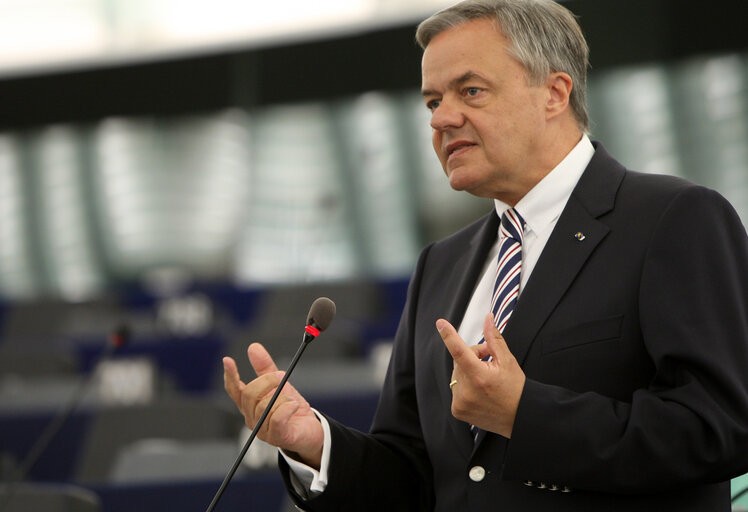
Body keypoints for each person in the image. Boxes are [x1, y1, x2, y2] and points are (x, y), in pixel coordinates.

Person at [222, 0, 748, 510]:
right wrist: (313, 441)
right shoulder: (439, 266)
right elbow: (416, 477)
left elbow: (721, 426)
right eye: (432, 102)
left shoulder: (674, 218)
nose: (442, 119)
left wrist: (527, 415)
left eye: (470, 91)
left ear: (554, 92)